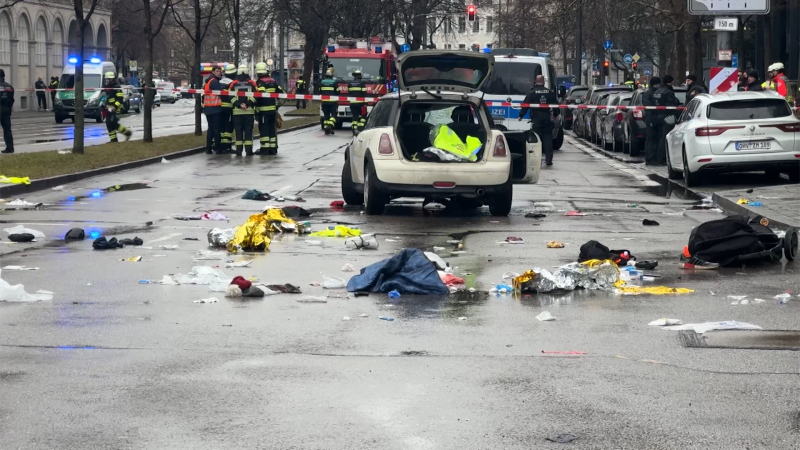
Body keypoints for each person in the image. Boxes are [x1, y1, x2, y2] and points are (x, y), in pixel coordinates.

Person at [517, 74, 560, 166]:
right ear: (544, 82)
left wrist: (521, 115)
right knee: (547, 139)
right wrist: (555, 115)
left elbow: (525, 105)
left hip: (536, 118)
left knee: (536, 139)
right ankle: (548, 160)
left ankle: (537, 160)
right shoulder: (549, 93)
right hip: (546, 117)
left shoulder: (531, 93)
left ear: (535, 82)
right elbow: (556, 105)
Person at [254, 62, 284, 155]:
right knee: (272, 129)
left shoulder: (260, 82)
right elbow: (282, 93)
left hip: (263, 111)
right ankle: (273, 148)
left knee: (264, 129)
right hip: (272, 111)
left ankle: (265, 149)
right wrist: (277, 105)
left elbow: (259, 96)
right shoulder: (272, 81)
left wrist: (252, 103)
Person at [228, 64, 258, 156]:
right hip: (249, 111)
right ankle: (249, 151)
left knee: (238, 131)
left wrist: (239, 105)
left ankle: (239, 151)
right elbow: (256, 95)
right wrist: (247, 104)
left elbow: (230, 96)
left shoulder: (233, 83)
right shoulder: (252, 83)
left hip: (237, 112)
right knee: (248, 131)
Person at [651, 74, 680, 166]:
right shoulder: (668, 92)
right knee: (665, 138)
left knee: (659, 138)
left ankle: (657, 157)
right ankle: (662, 158)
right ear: (670, 82)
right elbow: (671, 106)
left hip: (656, 117)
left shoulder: (657, 91)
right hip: (667, 117)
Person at [102, 71, 132, 143]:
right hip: (109, 108)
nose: (108, 80)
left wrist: (114, 107)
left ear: (112, 79)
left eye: (109, 79)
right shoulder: (108, 87)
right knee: (111, 124)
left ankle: (124, 134)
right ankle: (115, 139)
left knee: (112, 124)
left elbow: (120, 99)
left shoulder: (116, 87)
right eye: (107, 79)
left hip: (116, 109)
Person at [203, 65, 224, 154]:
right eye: (217, 71)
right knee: (216, 129)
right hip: (215, 108)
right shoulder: (215, 82)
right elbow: (221, 93)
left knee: (211, 129)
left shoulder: (208, 81)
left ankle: (208, 148)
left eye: (220, 71)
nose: (219, 73)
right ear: (213, 72)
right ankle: (218, 148)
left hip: (208, 108)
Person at [641, 77, 660, 165]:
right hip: (651, 119)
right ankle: (651, 158)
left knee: (651, 139)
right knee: (652, 139)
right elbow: (649, 108)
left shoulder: (651, 92)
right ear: (655, 84)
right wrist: (651, 120)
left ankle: (649, 158)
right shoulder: (649, 93)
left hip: (652, 118)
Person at [219, 63, 237, 151]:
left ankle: (218, 145)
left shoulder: (220, 81)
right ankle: (226, 146)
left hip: (219, 107)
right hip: (229, 108)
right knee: (228, 127)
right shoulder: (233, 83)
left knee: (220, 127)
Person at [320, 69, 339, 135]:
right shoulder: (334, 82)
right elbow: (338, 91)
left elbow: (319, 91)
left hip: (324, 102)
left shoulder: (322, 82)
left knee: (326, 115)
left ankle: (326, 129)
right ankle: (329, 126)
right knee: (334, 115)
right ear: (331, 76)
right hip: (333, 102)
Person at [348, 70, 367, 135]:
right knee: (363, 115)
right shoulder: (362, 83)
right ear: (360, 76)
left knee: (354, 116)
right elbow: (364, 93)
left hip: (352, 103)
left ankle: (354, 128)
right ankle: (360, 127)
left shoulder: (350, 83)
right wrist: (365, 102)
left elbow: (349, 92)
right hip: (360, 103)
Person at [0, 69, 14, 154]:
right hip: (6, 109)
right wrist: (9, 108)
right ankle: (10, 148)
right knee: (7, 129)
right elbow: (12, 99)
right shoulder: (9, 86)